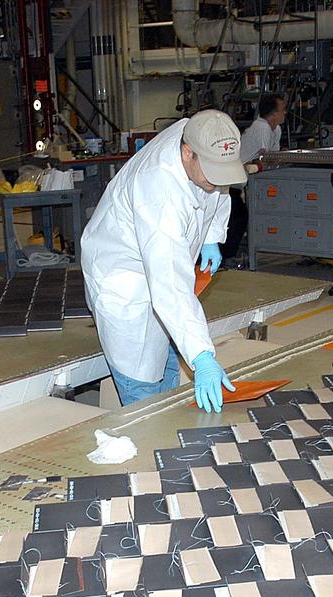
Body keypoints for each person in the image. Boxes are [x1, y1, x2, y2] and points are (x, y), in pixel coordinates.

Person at [80, 109, 246, 412]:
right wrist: (202, 356)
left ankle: (169, 420)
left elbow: (219, 188)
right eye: (211, 171)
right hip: (125, 278)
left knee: (169, 359)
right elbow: (169, 282)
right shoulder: (158, 189)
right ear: (187, 153)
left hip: (158, 261)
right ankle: (148, 432)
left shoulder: (201, 136)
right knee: (142, 382)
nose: (217, 181)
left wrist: (211, 235)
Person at [222, 94, 287, 262]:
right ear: (274, 113)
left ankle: (231, 253)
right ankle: (227, 257)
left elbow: (273, 158)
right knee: (238, 218)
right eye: (282, 110)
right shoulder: (261, 127)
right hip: (232, 182)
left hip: (247, 181)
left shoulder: (276, 130)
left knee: (242, 217)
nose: (285, 113)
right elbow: (266, 158)